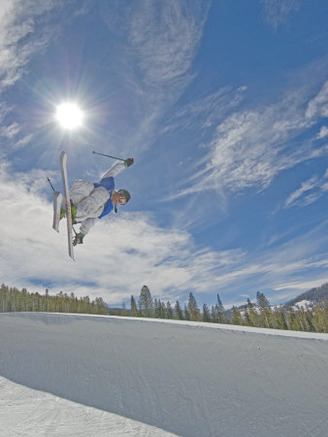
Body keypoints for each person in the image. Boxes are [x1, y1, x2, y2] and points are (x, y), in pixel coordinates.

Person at [62, 157, 133, 246]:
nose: (119, 201)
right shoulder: (109, 184)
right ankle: (67, 205)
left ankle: (76, 211)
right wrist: (124, 164)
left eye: (122, 203)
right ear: (120, 193)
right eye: (122, 198)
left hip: (83, 213)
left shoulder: (109, 207)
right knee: (87, 186)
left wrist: (82, 234)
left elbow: (92, 220)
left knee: (103, 194)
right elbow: (114, 170)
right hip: (78, 200)